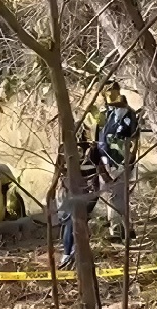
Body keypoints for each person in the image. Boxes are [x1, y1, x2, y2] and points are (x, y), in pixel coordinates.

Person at [56, 133, 113, 269]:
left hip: (87, 192)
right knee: (71, 221)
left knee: (76, 220)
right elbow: (58, 170)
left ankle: (73, 253)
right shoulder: (64, 149)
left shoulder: (92, 150)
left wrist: (112, 184)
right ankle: (70, 253)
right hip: (71, 191)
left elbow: (101, 170)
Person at [93, 81, 140, 242]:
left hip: (120, 160)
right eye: (106, 91)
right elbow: (98, 136)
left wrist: (129, 160)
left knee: (116, 195)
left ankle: (118, 232)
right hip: (104, 158)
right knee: (110, 195)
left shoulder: (128, 113)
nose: (108, 94)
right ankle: (125, 228)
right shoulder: (104, 113)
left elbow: (132, 138)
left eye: (112, 90)